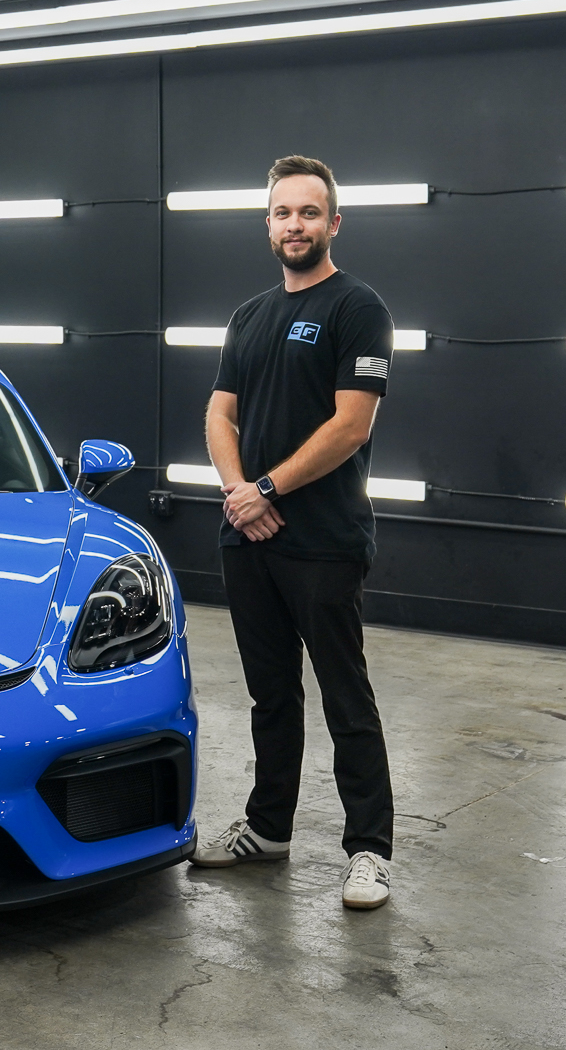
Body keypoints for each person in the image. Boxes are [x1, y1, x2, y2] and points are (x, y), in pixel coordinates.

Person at [189, 154, 397, 910]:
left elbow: (351, 424)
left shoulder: (358, 307)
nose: (295, 225)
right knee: (270, 695)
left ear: (333, 223)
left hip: (324, 541)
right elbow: (220, 414)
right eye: (283, 213)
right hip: (250, 539)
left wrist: (267, 487)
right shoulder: (249, 315)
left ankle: (369, 848)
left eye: (310, 213)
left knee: (347, 697)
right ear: (268, 224)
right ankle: (268, 828)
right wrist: (240, 494)